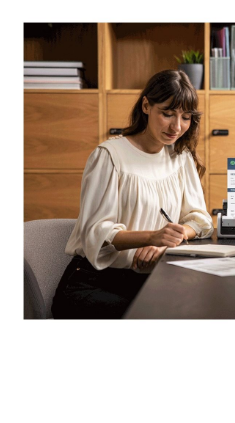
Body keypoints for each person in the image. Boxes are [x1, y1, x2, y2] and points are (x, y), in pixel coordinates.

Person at [51, 69, 214, 318]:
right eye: (167, 113)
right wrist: (153, 237)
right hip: (94, 283)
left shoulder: (180, 157)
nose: (177, 126)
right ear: (146, 106)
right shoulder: (110, 156)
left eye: (186, 117)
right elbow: (96, 232)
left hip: (149, 280)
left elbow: (201, 221)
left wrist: (171, 240)